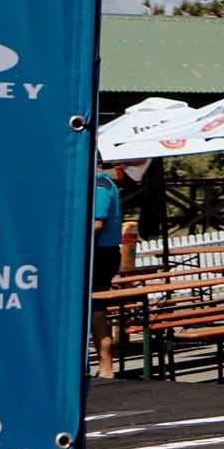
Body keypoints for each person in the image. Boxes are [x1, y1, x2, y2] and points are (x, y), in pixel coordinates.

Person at [89, 161, 126, 380]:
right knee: (95, 310)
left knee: (96, 311)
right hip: (105, 252)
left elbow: (97, 223)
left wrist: (80, 246)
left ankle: (106, 367)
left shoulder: (100, 185)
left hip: (101, 253)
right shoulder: (104, 183)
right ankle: (103, 366)